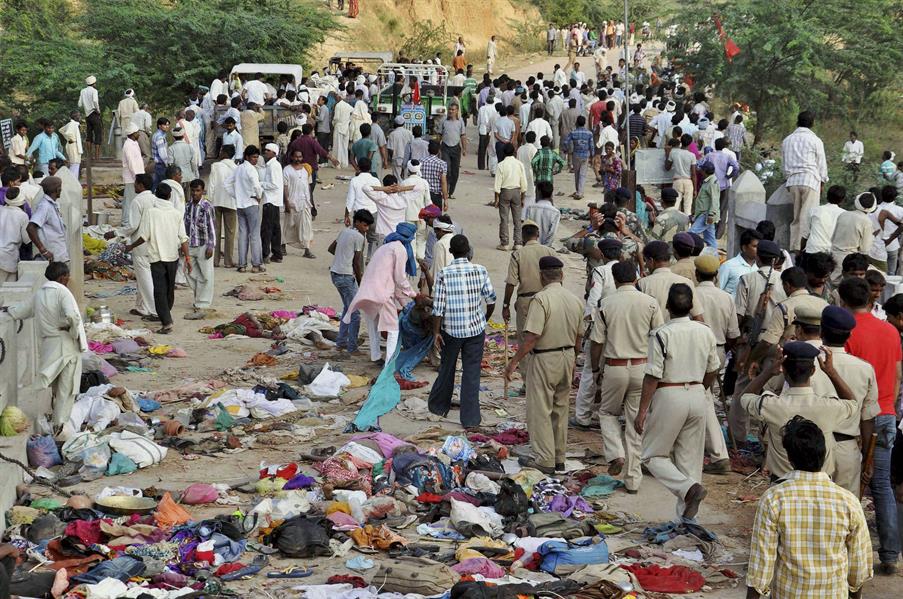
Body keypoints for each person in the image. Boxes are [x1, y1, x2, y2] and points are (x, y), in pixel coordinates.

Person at [745, 416, 872, 599]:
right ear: (825, 453)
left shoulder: (774, 498)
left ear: (789, 457)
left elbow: (761, 567)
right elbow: (859, 569)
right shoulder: (848, 501)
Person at [635, 283, 721, 520]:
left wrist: (642, 411)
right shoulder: (705, 331)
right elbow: (714, 368)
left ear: (667, 307)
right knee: (690, 461)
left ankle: (688, 490)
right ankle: (687, 520)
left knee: (652, 456)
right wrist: (700, 388)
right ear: (691, 306)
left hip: (669, 394)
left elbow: (652, 375)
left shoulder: (661, 334)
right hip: (697, 392)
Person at [840, 277, 901, 573]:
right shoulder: (890, 331)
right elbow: (898, 374)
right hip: (887, 413)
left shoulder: (847, 332)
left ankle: (851, 552)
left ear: (843, 301)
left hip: (860, 416)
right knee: (882, 486)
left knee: (853, 485)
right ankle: (889, 555)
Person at [587, 261, 664, 490]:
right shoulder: (650, 303)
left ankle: (615, 453)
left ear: (615, 278)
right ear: (637, 277)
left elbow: (597, 342)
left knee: (607, 413)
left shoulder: (605, 304)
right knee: (636, 422)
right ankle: (633, 480)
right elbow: (660, 337)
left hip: (615, 366)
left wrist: (594, 370)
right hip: (643, 368)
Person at [505, 256, 583, 474]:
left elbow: (531, 338)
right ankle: (559, 457)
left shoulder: (541, 299)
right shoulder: (574, 300)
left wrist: (513, 363)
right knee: (560, 408)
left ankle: (544, 460)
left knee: (540, 410)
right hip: (567, 355)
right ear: (562, 275)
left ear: (541, 276)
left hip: (545, 358)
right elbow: (579, 338)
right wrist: (573, 361)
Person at [4, 262, 86, 440]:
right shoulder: (62, 292)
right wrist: (72, 331)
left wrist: (6, 310)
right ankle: (60, 426)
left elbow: (19, 311)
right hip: (65, 343)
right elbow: (72, 316)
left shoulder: (39, 293)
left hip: (49, 345)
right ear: (63, 277)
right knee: (67, 386)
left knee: (54, 385)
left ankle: (53, 422)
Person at [428, 235, 495, 428]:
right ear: (468, 251)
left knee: (447, 369)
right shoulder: (480, 270)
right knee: (471, 374)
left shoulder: (444, 274)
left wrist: (436, 332)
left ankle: (439, 406)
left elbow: (438, 307)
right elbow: (491, 300)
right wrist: (484, 319)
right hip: (475, 330)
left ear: (451, 252)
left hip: (451, 330)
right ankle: (471, 419)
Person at [346, 222, 419, 363]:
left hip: (366, 291)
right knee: (393, 329)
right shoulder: (400, 249)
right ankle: (389, 364)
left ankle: (375, 356)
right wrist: (414, 295)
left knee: (373, 325)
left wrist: (404, 304)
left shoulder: (384, 247)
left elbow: (393, 280)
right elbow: (399, 278)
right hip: (382, 293)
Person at [125, 184, 191, 334]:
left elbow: (143, 236)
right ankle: (166, 317)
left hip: (156, 258)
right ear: (169, 196)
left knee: (160, 291)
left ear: (156, 195)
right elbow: (183, 238)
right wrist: (188, 258)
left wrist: (131, 246)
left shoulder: (151, 213)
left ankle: (166, 320)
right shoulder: (176, 213)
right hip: (172, 258)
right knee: (168, 290)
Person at [502, 221, 556, 385]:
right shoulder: (549, 251)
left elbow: (511, 282)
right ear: (538, 234)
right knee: (546, 339)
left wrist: (506, 305)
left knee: (525, 341)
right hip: (548, 298)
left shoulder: (518, 254)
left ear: (523, 236)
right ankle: (546, 378)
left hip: (526, 301)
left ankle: (528, 383)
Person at [782, 111, 829, 252]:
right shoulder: (816, 141)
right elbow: (822, 164)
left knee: (796, 217)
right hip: (810, 180)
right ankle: (805, 249)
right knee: (807, 217)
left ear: (797, 122)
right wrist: (823, 181)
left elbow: (784, 164)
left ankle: (794, 248)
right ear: (812, 123)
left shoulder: (787, 140)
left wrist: (787, 178)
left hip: (793, 180)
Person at [330, 210, 373, 355]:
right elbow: (357, 263)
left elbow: (331, 248)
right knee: (354, 314)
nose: (366, 229)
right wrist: (361, 282)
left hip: (335, 273)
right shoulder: (358, 237)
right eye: (365, 226)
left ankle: (341, 342)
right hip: (346, 276)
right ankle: (352, 347)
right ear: (358, 222)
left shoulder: (344, 231)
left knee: (347, 309)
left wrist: (342, 256)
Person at [637, 241, 703, 320]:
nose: (645, 265)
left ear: (651, 261)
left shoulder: (642, 284)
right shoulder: (686, 282)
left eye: (645, 261)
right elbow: (698, 317)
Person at [830, 192, 876, 284]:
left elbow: (833, 236)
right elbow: (865, 250)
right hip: (851, 261)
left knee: (832, 283)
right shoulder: (866, 221)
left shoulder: (843, 214)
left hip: (834, 254)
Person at [233, 145, 264, 273]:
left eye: (257, 157)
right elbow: (257, 186)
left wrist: (236, 195)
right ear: (247, 157)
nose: (255, 159)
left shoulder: (238, 168)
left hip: (240, 205)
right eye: (253, 157)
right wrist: (259, 196)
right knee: (255, 235)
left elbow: (227, 183)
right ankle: (256, 264)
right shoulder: (251, 170)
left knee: (243, 234)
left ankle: (242, 265)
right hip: (251, 204)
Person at [27, 177, 68, 265]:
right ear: (58, 189)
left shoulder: (52, 204)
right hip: (52, 257)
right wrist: (43, 250)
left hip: (59, 255)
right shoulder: (45, 206)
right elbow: (30, 228)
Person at [208, 145, 238, 267]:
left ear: (224, 153)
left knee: (216, 231)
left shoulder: (216, 166)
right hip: (231, 202)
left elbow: (211, 185)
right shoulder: (236, 168)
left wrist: (209, 201)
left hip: (216, 201)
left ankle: (215, 260)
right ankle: (228, 261)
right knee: (230, 232)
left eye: (221, 151)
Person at [282, 149, 316, 259]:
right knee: (289, 225)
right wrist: (286, 202)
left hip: (304, 203)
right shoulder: (287, 170)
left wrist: (311, 202)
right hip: (292, 202)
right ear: (292, 157)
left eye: (300, 157)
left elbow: (309, 186)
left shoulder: (306, 169)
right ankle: (283, 246)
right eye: (296, 157)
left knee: (306, 226)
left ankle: (307, 249)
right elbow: (285, 187)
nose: (298, 159)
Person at [345, 157, 381, 258]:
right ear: (370, 168)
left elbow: (350, 199)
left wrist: (346, 215)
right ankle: (370, 260)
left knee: (357, 240)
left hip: (359, 215)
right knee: (373, 240)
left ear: (359, 167)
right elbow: (380, 198)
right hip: (373, 213)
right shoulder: (376, 180)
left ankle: (358, 264)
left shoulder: (355, 180)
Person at [494, 143, 527, 251]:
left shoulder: (501, 165)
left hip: (505, 192)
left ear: (504, 152)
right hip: (517, 191)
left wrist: (496, 199)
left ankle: (504, 243)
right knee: (517, 219)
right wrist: (523, 197)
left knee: (504, 219)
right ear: (514, 152)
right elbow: (524, 183)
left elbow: (497, 185)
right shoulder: (519, 164)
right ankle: (518, 242)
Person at [803, 184, 846, 255]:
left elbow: (805, 234)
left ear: (827, 196)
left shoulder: (815, 210)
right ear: (842, 200)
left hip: (813, 250)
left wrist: (800, 250)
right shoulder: (845, 214)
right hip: (832, 253)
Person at [259, 143, 284, 264]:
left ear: (274, 153)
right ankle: (277, 253)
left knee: (266, 229)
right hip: (274, 200)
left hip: (270, 200)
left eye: (268, 150)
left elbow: (274, 184)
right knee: (274, 228)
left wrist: (260, 184)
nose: (265, 152)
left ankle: (265, 254)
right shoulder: (271, 165)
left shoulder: (273, 166)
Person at [0, 188, 30, 283]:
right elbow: (27, 239)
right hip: (8, 258)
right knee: (7, 291)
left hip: (6, 258)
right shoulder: (22, 216)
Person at [562, 115, 593, 199]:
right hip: (585, 155)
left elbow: (565, 142)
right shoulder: (589, 133)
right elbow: (591, 145)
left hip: (576, 155)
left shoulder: (573, 133)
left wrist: (565, 149)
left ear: (577, 123)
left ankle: (578, 191)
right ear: (584, 123)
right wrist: (592, 156)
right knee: (582, 174)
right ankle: (580, 192)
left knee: (577, 174)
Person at [439, 104, 466, 197]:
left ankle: (451, 192)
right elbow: (439, 135)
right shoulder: (444, 121)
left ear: (457, 111)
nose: (451, 111)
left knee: (455, 172)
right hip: (445, 147)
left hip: (456, 149)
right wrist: (437, 149)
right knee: (447, 170)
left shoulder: (460, 122)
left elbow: (463, 136)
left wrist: (464, 149)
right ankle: (445, 191)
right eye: (450, 109)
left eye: (453, 109)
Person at [665, 134, 697, 214]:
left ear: (681, 142)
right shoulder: (692, 155)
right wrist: (695, 189)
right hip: (688, 181)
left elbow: (667, 167)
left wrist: (667, 154)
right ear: (690, 143)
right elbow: (693, 174)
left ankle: (674, 224)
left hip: (677, 181)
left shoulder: (673, 153)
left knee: (675, 206)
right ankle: (687, 225)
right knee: (687, 207)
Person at [523, 181, 560, 246]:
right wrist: (546, 247)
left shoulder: (530, 208)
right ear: (551, 194)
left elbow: (527, 228)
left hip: (531, 246)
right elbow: (552, 233)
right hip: (546, 247)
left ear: (538, 193)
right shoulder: (555, 212)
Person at [78, 75, 101, 160]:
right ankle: (97, 157)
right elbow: (95, 101)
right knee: (98, 134)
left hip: (87, 115)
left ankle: (89, 156)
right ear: (94, 83)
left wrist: (86, 105)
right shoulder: (94, 91)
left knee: (89, 135)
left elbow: (79, 104)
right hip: (94, 113)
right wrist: (98, 110)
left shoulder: (82, 91)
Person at [421, 141, 449, 208]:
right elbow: (443, 182)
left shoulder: (421, 161)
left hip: (423, 194)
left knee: (423, 216)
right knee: (435, 217)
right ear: (439, 151)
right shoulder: (442, 164)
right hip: (436, 196)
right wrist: (445, 199)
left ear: (428, 150)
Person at [58, 112, 83, 179]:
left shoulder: (72, 124)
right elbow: (67, 133)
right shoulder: (72, 124)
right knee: (74, 164)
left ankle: (74, 181)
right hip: (73, 145)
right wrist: (70, 139)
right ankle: (72, 181)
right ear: (74, 117)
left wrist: (68, 139)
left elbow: (61, 130)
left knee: (76, 163)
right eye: (78, 115)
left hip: (74, 145)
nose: (80, 117)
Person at [332, 95, 354, 168]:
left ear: (339, 97)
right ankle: (344, 163)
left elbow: (336, 118)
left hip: (339, 127)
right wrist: (349, 120)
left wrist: (333, 123)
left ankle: (337, 164)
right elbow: (353, 112)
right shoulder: (348, 105)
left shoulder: (338, 105)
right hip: (346, 127)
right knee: (344, 146)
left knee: (338, 146)